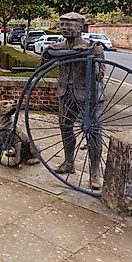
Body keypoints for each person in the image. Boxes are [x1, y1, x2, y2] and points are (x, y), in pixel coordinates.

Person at [40, 12, 106, 190]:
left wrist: (88, 58)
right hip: (66, 93)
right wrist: (50, 54)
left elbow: (100, 75)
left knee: (93, 132)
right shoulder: (57, 47)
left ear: (80, 27)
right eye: (62, 25)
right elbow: (43, 64)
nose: (65, 28)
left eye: (69, 25)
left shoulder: (94, 47)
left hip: (89, 96)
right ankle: (69, 162)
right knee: (65, 127)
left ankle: (94, 172)